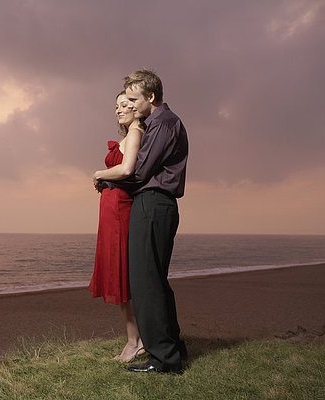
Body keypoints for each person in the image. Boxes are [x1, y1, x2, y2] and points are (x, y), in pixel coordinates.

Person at [100, 69, 188, 373]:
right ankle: (173, 348)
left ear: (151, 97)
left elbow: (139, 172)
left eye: (135, 99)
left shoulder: (163, 123)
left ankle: (163, 359)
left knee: (146, 283)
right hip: (154, 204)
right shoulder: (160, 122)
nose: (131, 105)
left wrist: (105, 180)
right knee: (155, 282)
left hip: (153, 203)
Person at [89, 91, 145, 362]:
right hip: (112, 210)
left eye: (125, 105)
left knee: (123, 276)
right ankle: (135, 339)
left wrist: (99, 174)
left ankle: (135, 341)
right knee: (120, 274)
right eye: (117, 106)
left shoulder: (135, 133)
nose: (119, 110)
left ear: (137, 107)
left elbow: (126, 170)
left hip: (121, 210)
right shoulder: (129, 134)